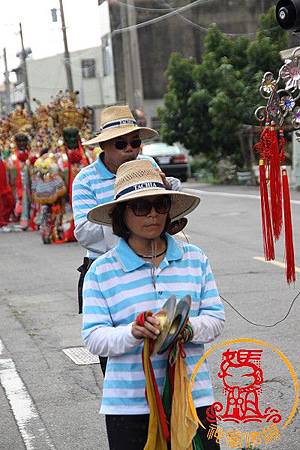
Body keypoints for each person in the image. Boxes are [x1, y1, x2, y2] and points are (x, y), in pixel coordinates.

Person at [82, 159, 225, 450]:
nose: (153, 215)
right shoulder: (102, 271)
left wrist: (183, 329)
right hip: (129, 405)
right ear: (122, 214)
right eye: (140, 207)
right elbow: (94, 338)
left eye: (160, 205)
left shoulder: (194, 258)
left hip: (194, 398)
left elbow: (215, 319)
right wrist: (133, 332)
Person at [72, 105, 183, 373]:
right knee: (117, 358)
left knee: (166, 349)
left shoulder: (149, 165)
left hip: (155, 264)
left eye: (135, 142)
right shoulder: (85, 179)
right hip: (107, 271)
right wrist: (126, 212)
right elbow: (85, 233)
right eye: (121, 144)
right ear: (105, 146)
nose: (130, 149)